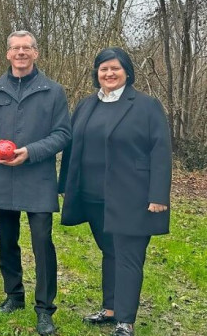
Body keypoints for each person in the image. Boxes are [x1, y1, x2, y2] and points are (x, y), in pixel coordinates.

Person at [58, 48, 171, 336]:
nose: (109, 73)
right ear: (96, 73)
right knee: (109, 251)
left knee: (129, 256)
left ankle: (125, 320)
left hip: (132, 195)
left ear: (127, 72)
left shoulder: (146, 106)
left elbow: (160, 151)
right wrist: (66, 185)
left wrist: (158, 195)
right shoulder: (86, 105)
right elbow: (72, 146)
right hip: (93, 194)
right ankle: (110, 309)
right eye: (103, 69)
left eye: (115, 68)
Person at [0, 31, 71, 335]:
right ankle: (14, 295)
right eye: (15, 48)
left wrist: (31, 152)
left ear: (35, 53)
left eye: (26, 48)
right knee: (6, 240)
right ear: (7, 54)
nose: (20, 53)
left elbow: (63, 134)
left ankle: (45, 309)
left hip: (38, 176)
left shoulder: (53, 91)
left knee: (42, 243)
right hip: (3, 175)